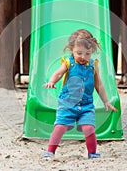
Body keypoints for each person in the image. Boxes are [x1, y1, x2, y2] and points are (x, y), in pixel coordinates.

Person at [43, 29, 117, 159]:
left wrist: (106, 101)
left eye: (87, 53)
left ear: (92, 52)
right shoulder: (68, 63)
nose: (83, 57)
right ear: (72, 49)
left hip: (86, 105)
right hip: (67, 104)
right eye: (79, 53)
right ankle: (50, 151)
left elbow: (98, 84)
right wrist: (51, 81)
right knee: (60, 126)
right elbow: (58, 73)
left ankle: (92, 153)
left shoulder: (93, 65)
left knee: (89, 128)